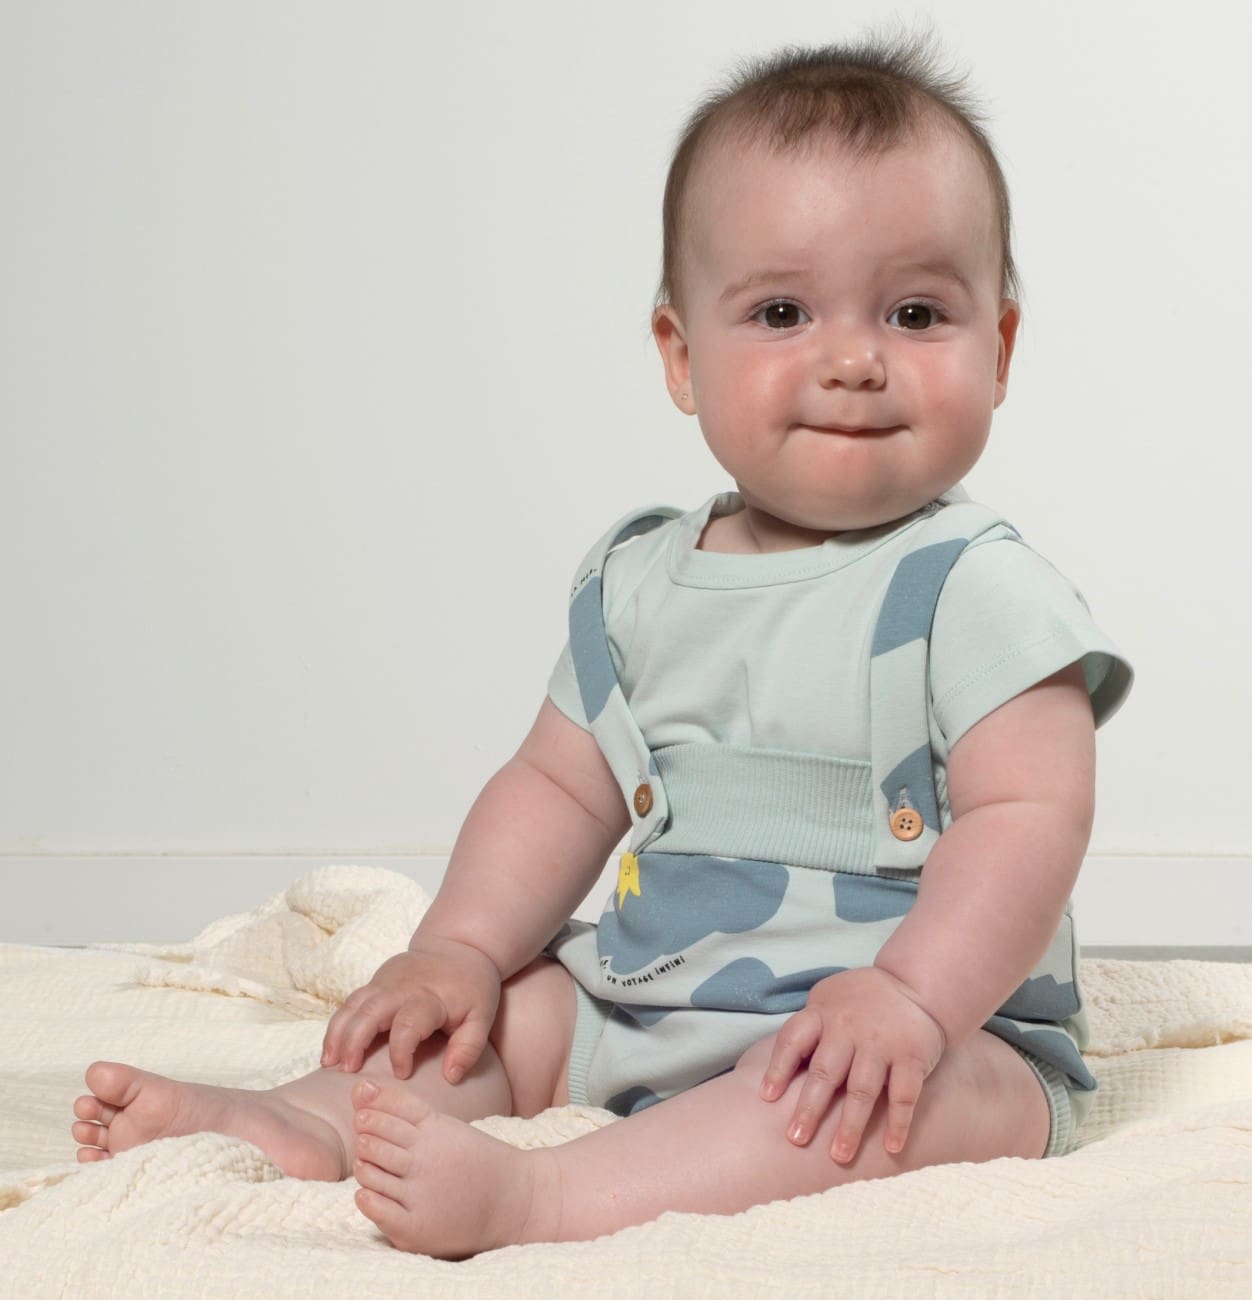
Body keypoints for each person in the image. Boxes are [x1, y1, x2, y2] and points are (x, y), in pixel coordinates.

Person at [70, 33, 1133, 1259]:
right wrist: (456, 949)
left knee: (902, 1108)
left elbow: (1030, 817)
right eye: (782, 311)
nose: (853, 358)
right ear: (683, 356)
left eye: (915, 311)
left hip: (909, 1032)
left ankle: (552, 1199)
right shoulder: (639, 584)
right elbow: (554, 785)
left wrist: (910, 996)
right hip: (646, 991)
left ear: (997, 349)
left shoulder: (976, 586)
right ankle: (304, 1126)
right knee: (506, 1021)